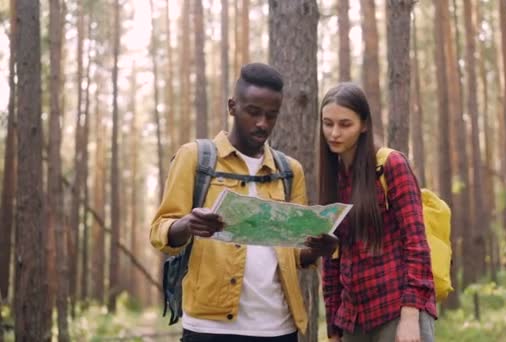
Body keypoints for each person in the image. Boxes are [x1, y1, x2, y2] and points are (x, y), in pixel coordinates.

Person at [150, 63, 337, 342]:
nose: (262, 123)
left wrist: (317, 249)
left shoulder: (289, 171)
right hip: (210, 329)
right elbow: (159, 231)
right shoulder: (196, 158)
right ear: (232, 106)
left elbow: (295, 254)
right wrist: (188, 224)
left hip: (279, 328)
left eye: (271, 115)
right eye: (253, 112)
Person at [318, 83, 436, 342]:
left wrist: (409, 318)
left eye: (345, 124)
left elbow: (417, 244)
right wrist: (334, 331)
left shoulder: (391, 165)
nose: (334, 133)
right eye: (328, 123)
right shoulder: (333, 179)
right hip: (352, 320)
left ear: (364, 125)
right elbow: (331, 260)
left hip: (397, 311)